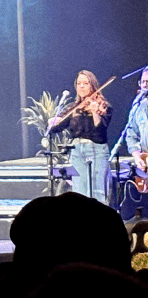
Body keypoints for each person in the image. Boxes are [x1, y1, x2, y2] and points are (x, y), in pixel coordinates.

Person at [47, 70, 113, 204]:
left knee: (97, 192)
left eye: (85, 83)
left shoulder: (103, 106)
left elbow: (101, 132)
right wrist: (52, 122)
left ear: (92, 85)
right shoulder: (74, 108)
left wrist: (95, 113)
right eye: (79, 84)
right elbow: (56, 129)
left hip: (96, 150)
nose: (81, 86)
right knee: (79, 193)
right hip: (76, 151)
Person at [123, 69, 148, 172]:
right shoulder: (138, 107)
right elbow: (131, 135)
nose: (145, 85)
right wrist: (137, 157)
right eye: (143, 82)